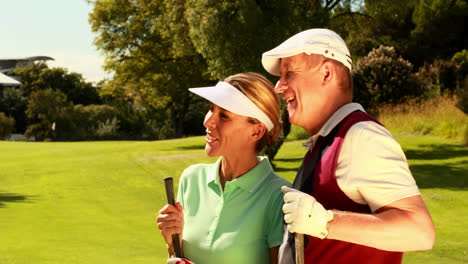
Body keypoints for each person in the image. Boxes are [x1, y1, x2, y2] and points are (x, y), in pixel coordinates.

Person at [261, 29, 436, 264]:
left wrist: (326, 222)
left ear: (326, 74)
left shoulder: (361, 136)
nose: (278, 87)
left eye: (289, 73)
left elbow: (419, 232)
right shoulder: (326, 142)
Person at [156, 72, 291, 264]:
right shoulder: (192, 179)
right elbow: (178, 258)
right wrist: (172, 243)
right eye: (211, 109)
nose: (208, 121)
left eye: (224, 116)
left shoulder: (280, 197)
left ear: (256, 131)